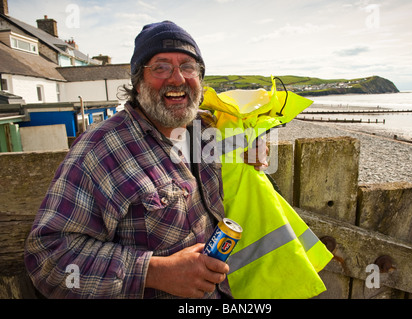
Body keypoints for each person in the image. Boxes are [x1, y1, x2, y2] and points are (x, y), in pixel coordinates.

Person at [24, 21, 266, 299]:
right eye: (161, 67)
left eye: (188, 67)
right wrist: (154, 272)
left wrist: (251, 149)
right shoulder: (101, 150)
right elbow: (48, 261)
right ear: (138, 83)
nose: (177, 78)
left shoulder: (203, 132)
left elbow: (239, 151)